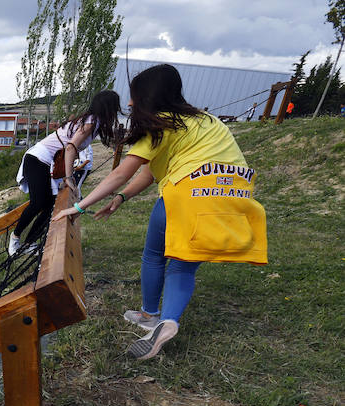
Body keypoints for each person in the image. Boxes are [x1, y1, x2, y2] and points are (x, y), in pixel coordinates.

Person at [52, 64, 267, 360]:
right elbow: (150, 173)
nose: (129, 103)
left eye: (134, 96)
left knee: (154, 255)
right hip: (233, 196)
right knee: (183, 263)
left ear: (148, 97)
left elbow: (120, 174)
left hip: (187, 195)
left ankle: (149, 315)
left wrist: (78, 206)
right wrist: (122, 199)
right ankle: (169, 320)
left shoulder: (158, 124)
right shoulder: (206, 121)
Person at [10, 90, 121, 256]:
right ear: (109, 108)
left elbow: (70, 149)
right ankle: (15, 239)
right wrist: (68, 177)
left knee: (50, 205)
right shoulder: (91, 122)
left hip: (47, 161)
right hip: (38, 159)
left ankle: (29, 243)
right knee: (38, 202)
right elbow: (70, 148)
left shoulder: (93, 122)